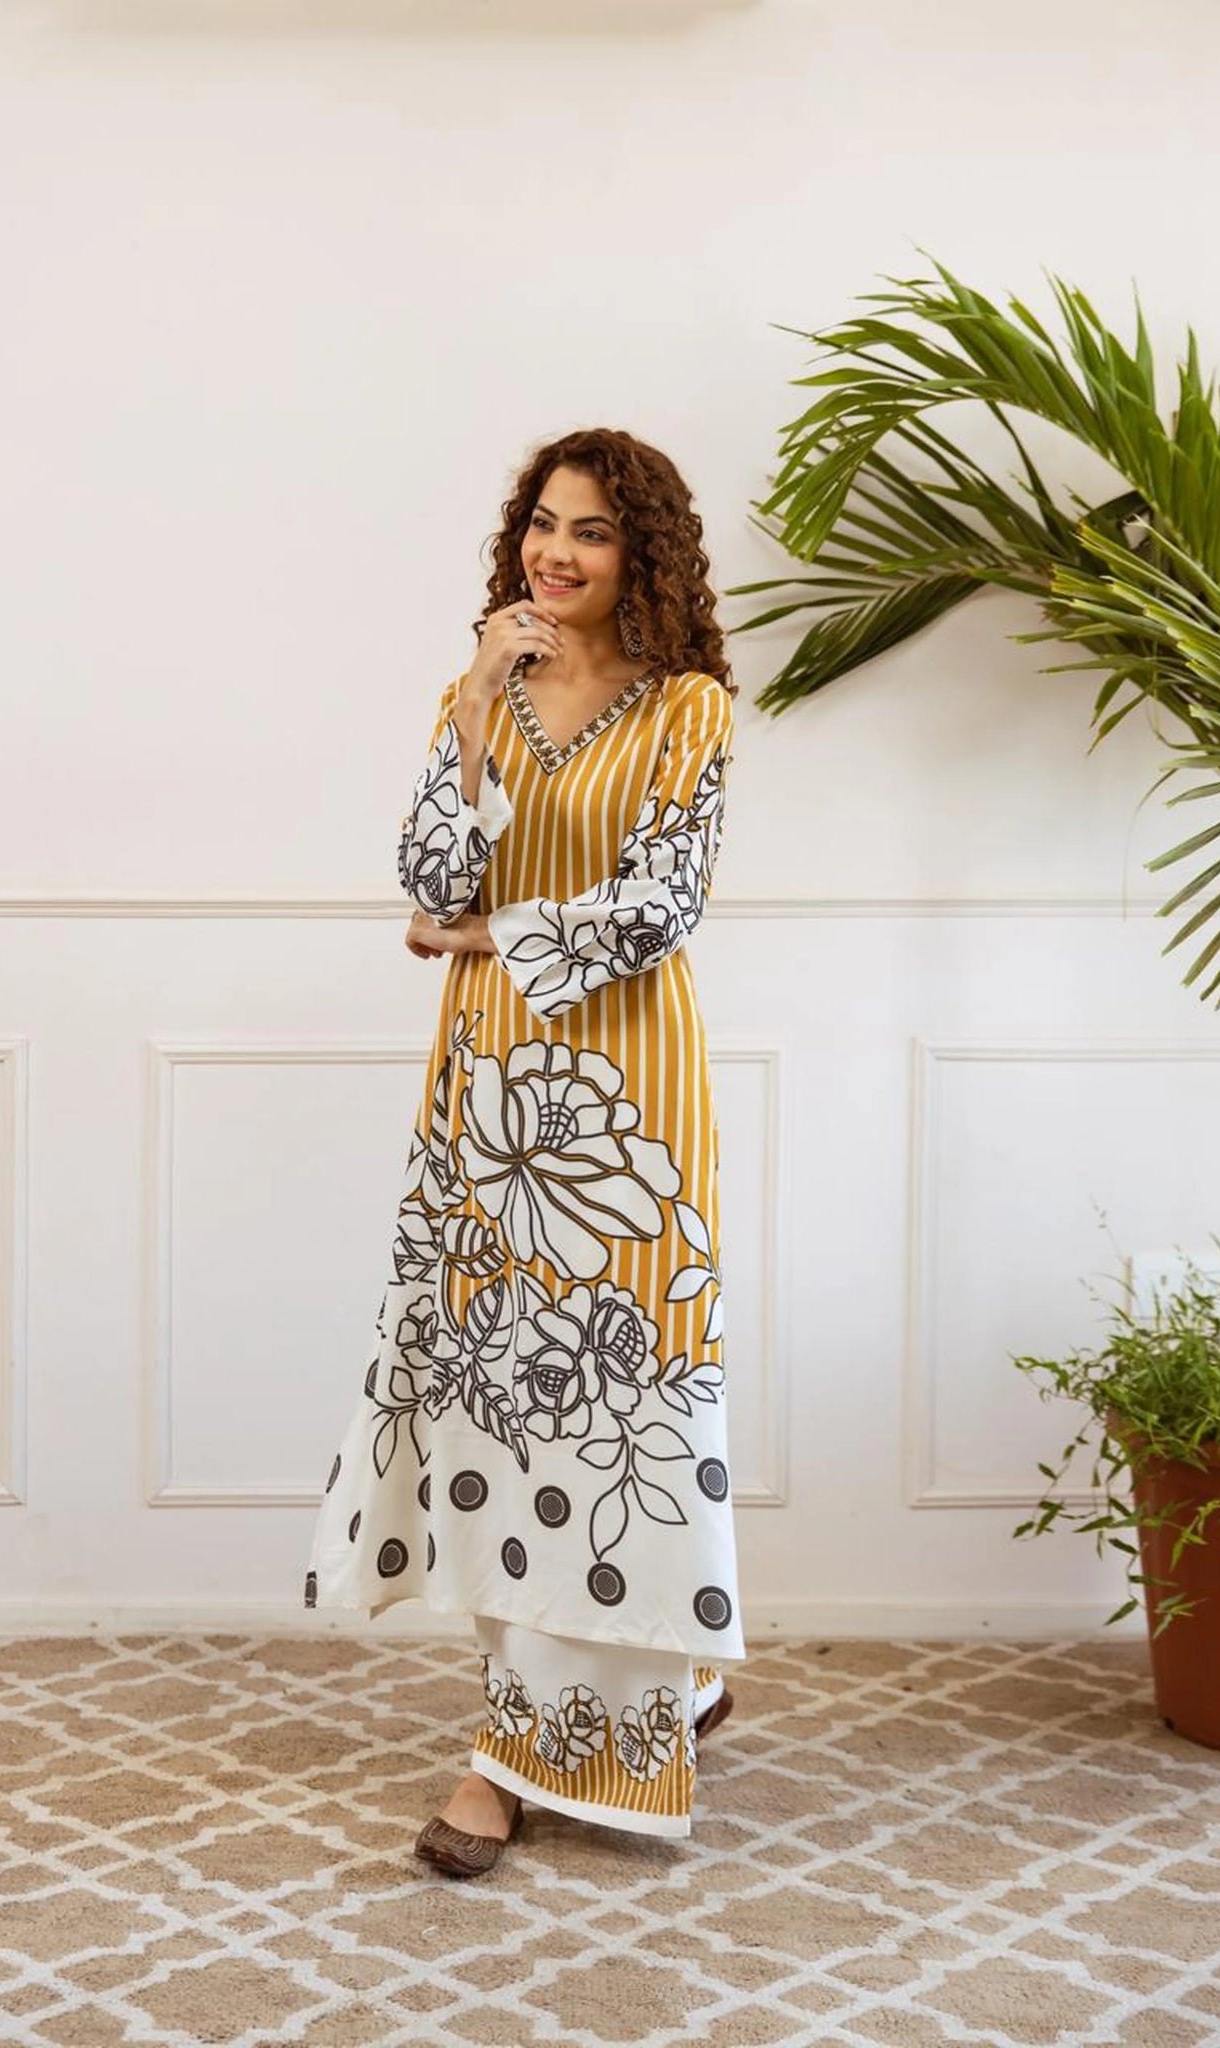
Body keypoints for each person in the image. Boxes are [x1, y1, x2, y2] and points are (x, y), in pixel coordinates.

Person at [305, 426, 744, 1876]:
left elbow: (657, 908)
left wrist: (484, 932)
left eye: (592, 532)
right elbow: (427, 875)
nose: (556, 552)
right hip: (487, 1094)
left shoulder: (687, 711)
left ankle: (513, 1762)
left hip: (628, 1092)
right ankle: (654, 1684)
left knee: (616, 1415)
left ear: (642, 555)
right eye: (543, 524)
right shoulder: (477, 694)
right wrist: (483, 702)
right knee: (506, 1412)